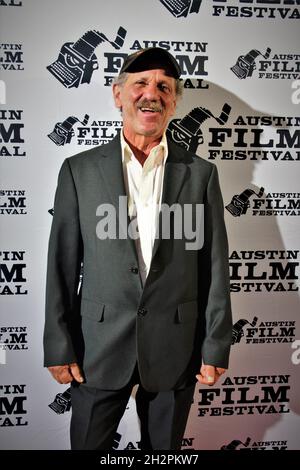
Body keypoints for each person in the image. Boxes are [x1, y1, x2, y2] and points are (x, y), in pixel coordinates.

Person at [43, 47, 232, 450]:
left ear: (175, 100)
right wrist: (59, 345)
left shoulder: (201, 175)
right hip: (96, 348)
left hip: (175, 349)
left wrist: (215, 345)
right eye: (140, 83)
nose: (152, 94)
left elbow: (215, 268)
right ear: (118, 95)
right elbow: (61, 265)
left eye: (164, 86)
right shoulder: (79, 170)